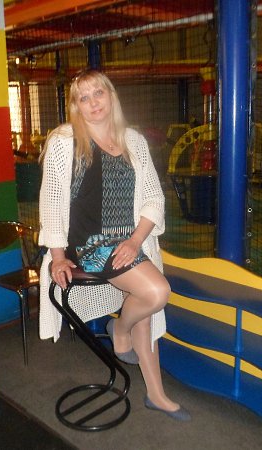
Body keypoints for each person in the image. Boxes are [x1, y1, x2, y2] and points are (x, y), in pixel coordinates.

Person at [38, 69, 190, 421]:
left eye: (98, 93)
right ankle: (120, 330)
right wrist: (57, 257)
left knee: (145, 308)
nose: (93, 103)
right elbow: (52, 201)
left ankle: (156, 394)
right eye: (84, 98)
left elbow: (154, 197)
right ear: (76, 106)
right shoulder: (65, 142)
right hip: (90, 244)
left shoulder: (133, 140)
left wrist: (136, 240)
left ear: (111, 96)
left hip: (129, 241)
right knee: (155, 292)